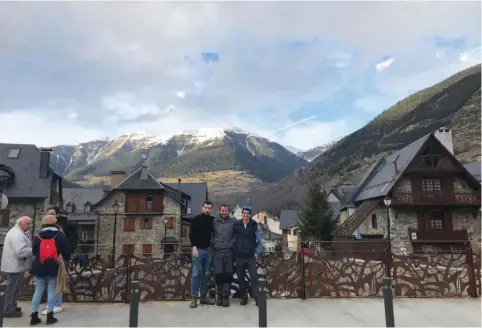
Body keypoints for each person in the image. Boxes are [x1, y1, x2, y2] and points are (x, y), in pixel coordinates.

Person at [29, 215, 71, 325]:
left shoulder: (37, 236)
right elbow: (67, 251)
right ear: (55, 223)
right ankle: (50, 316)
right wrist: (66, 259)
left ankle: (34, 316)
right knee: (52, 291)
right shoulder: (60, 235)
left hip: (39, 265)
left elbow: (33, 251)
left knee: (38, 291)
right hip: (54, 266)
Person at [41, 208, 79, 315]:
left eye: (53, 214)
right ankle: (52, 304)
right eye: (50, 214)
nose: (52, 216)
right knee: (50, 283)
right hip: (47, 259)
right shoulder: (52, 230)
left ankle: (56, 304)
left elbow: (64, 245)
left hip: (58, 259)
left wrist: (64, 257)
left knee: (56, 282)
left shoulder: (59, 230)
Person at [0, 216, 33, 318]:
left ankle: (12, 306)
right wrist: (34, 250)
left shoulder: (17, 232)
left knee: (14, 287)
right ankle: (8, 309)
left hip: (15, 265)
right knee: (11, 288)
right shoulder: (17, 235)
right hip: (14, 265)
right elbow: (20, 252)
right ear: (21, 223)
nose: (30, 226)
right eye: (28, 224)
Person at [233, 205, 263, 306]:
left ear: (250, 215)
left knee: (254, 277)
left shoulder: (255, 225)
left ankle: (257, 298)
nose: (245, 215)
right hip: (239, 256)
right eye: (244, 213)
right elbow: (233, 239)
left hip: (250, 256)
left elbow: (259, 241)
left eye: (247, 213)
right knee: (241, 278)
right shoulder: (236, 225)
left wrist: (257, 252)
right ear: (242, 214)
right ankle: (244, 297)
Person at [189, 200, 215, 308]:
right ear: (202, 208)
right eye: (206, 207)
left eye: (209, 208)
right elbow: (191, 235)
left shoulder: (213, 220)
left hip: (208, 250)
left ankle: (203, 297)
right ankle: (194, 298)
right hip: (197, 250)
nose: (207, 210)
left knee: (205, 274)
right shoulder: (195, 220)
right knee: (196, 274)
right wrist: (194, 247)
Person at [211, 204, 236, 307]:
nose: (224, 213)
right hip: (218, 252)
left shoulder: (233, 221)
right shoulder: (214, 221)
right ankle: (219, 296)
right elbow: (209, 234)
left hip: (229, 252)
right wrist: (214, 244)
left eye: (226, 211)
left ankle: (226, 296)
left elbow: (237, 234)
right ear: (219, 211)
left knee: (228, 274)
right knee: (219, 274)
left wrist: (232, 244)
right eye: (222, 211)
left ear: (228, 211)